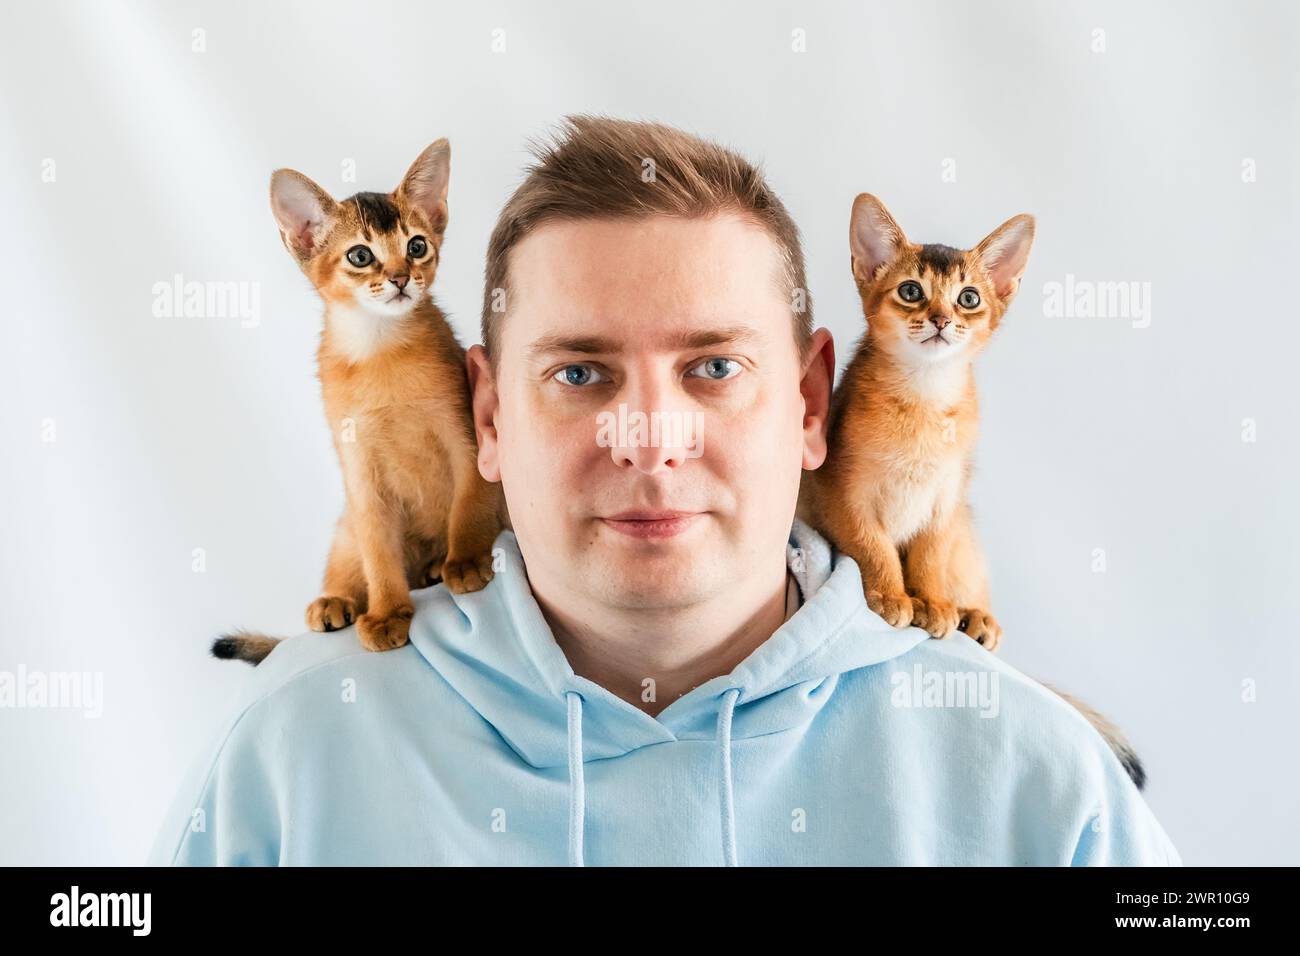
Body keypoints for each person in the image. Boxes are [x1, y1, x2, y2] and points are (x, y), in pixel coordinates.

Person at [148, 115, 1180, 866]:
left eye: (714, 369)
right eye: (580, 373)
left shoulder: (1040, 781)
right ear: (489, 415)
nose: (647, 438)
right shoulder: (290, 748)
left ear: (813, 404)